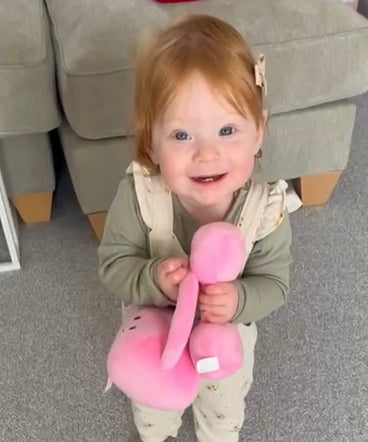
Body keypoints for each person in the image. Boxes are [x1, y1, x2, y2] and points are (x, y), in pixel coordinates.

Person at [98, 14, 292, 442]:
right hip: (154, 333)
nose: (207, 154)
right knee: (153, 407)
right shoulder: (140, 196)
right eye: (182, 135)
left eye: (227, 130)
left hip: (222, 339)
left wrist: (239, 298)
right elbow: (113, 266)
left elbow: (274, 284)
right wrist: (153, 277)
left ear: (258, 132)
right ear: (151, 141)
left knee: (223, 410)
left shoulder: (265, 211)